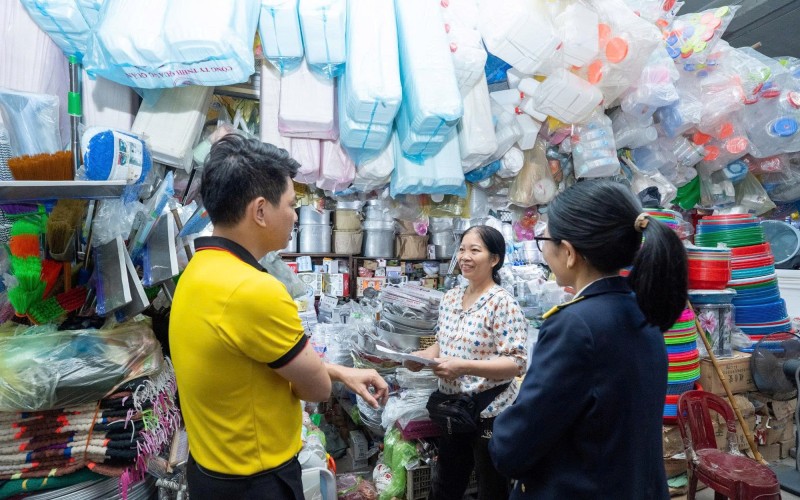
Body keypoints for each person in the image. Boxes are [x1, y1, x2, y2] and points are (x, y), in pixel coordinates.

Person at [170, 134, 388, 500]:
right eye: (290, 204)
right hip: (255, 484)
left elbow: (251, 367)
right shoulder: (255, 290)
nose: (294, 216)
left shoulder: (198, 270)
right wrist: (326, 375)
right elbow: (316, 390)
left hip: (210, 474)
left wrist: (338, 371)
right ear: (260, 211)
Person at [489, 180, 687, 499]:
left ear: (568, 253)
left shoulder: (575, 325)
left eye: (545, 239)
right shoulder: (641, 310)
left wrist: (502, 424)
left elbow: (513, 449)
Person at [407, 225, 528, 500]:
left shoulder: (502, 303)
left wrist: (463, 366)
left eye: (475, 250)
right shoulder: (450, 298)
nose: (465, 256)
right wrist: (422, 358)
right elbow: (443, 340)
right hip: (453, 407)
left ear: (494, 259)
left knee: (492, 487)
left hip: (490, 411)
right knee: (445, 483)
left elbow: (517, 362)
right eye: (462, 249)